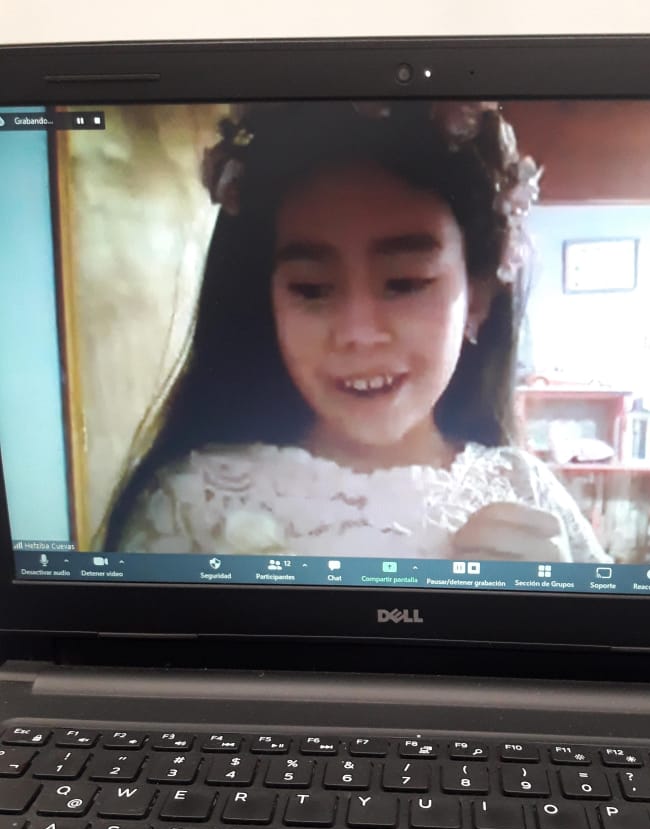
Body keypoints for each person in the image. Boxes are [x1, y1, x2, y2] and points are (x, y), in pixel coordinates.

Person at [103, 100, 607, 562]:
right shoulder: (190, 504)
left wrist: (555, 606)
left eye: (405, 283)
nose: (358, 334)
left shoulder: (529, 492)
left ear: (476, 297)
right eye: (312, 289)